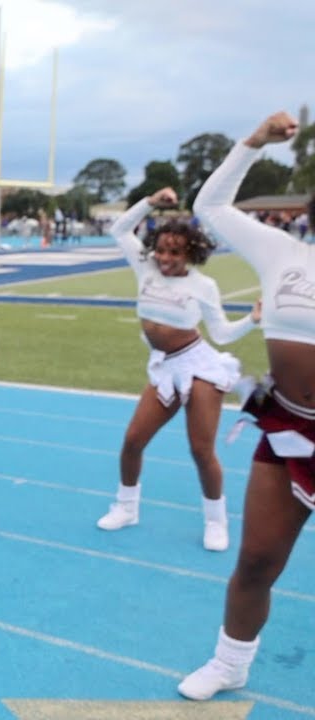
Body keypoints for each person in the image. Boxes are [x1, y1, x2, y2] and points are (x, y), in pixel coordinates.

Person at [179, 111, 315, 702]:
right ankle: (230, 662)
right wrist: (253, 143)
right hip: (289, 430)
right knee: (257, 560)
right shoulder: (283, 251)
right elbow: (209, 209)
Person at [95, 187, 259, 551]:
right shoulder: (146, 268)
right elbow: (120, 231)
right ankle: (126, 507)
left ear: (191, 253)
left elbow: (221, 333)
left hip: (198, 365)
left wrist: (252, 319)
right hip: (163, 366)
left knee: (201, 451)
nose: (165, 257)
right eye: (162, 249)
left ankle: (216, 522)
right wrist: (150, 202)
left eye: (175, 252)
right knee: (133, 441)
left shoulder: (204, 286)